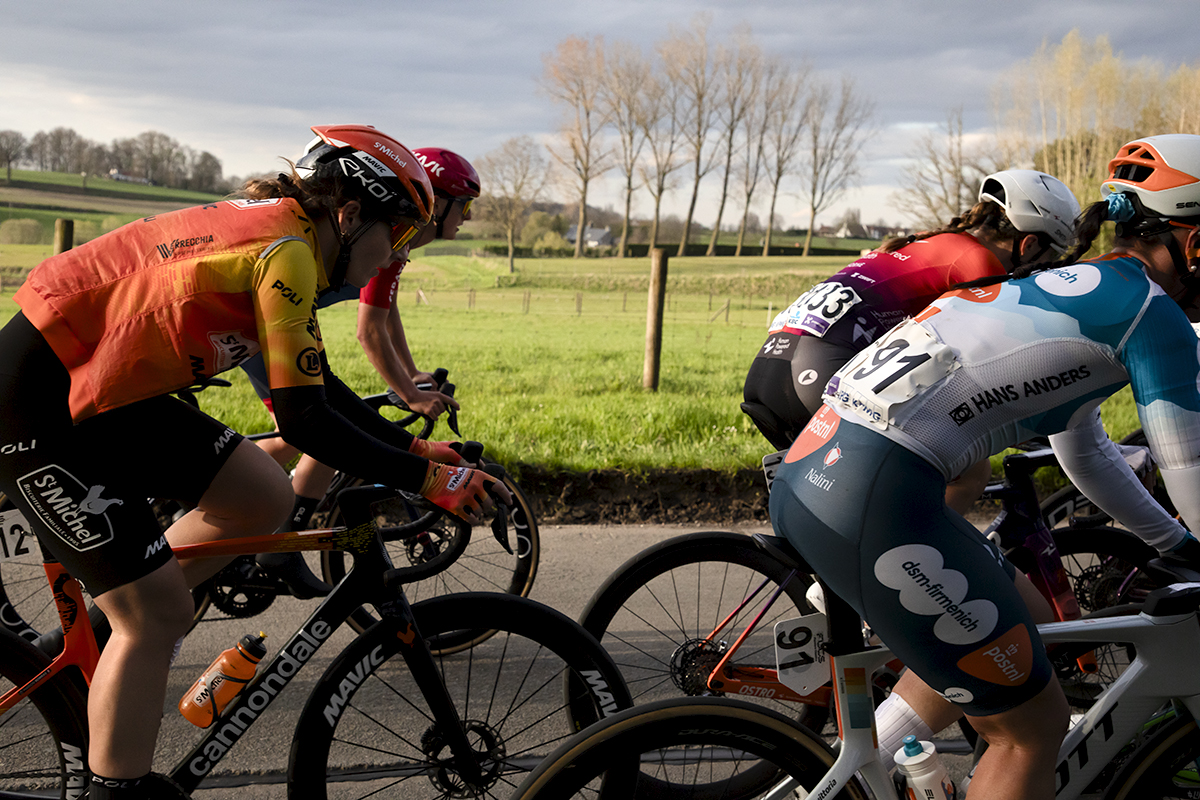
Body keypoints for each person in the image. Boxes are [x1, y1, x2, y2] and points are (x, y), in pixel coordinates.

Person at [0, 124, 507, 799]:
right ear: (351, 215)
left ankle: (104, 634)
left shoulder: (292, 235)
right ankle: (113, 786)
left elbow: (315, 384)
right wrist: (427, 477)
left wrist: (414, 450)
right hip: (34, 403)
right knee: (154, 613)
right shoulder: (287, 251)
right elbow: (303, 420)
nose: (402, 252)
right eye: (401, 233)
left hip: (103, 395)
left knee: (261, 494)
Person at [769, 133, 1200, 800]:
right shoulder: (1154, 316)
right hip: (873, 493)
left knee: (1031, 620)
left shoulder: (1069, 290)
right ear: (1194, 243)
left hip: (823, 471)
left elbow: (1086, 453)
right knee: (1031, 729)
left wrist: (1176, 545)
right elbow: (1189, 464)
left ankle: (838, 786)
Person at [744, 170, 1080, 513]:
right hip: (817, 372)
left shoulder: (926, 240)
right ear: (1030, 244)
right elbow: (992, 360)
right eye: (1051, 258)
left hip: (771, 368)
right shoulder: (980, 262)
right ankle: (914, 558)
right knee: (970, 473)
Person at [243, 146, 481, 597]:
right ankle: (275, 536)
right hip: (261, 324)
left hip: (268, 322)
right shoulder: (357, 235)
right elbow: (369, 331)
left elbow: (384, 316)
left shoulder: (379, 235)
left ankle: (257, 524)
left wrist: (412, 386)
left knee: (313, 431)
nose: (401, 255)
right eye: (464, 206)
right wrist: (411, 404)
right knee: (313, 435)